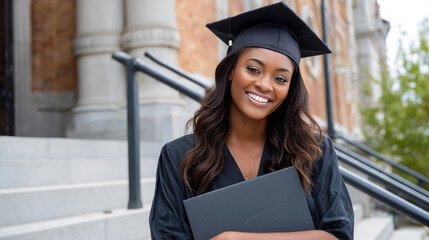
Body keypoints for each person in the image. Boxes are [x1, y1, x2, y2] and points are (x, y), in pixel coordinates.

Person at [149, 2, 354, 240]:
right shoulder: (180, 157)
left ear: (290, 88)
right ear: (230, 71)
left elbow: (339, 234)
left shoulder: (313, 152)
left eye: (280, 78)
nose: (265, 85)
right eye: (254, 69)